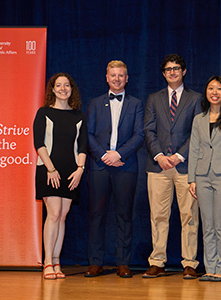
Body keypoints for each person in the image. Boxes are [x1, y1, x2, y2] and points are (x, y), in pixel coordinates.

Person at [143, 54, 201, 279]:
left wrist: (178, 156)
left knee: (190, 216)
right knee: (158, 216)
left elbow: (197, 132)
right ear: (163, 73)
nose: (173, 72)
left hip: (185, 166)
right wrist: (159, 155)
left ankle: (190, 263)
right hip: (158, 167)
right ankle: (157, 261)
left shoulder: (195, 98)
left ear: (184, 71)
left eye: (176, 68)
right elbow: (148, 130)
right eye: (168, 69)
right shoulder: (154, 98)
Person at [85, 60, 144, 278]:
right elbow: (88, 134)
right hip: (99, 166)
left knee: (124, 215)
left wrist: (119, 154)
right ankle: (95, 262)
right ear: (106, 78)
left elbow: (139, 134)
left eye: (121, 75)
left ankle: (123, 263)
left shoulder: (136, 103)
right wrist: (103, 155)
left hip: (125, 166)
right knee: (96, 215)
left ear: (127, 78)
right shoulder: (95, 103)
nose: (117, 79)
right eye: (113, 75)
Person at [188, 76, 221, 282]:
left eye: (218, 89)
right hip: (202, 176)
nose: (214, 92)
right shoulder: (198, 119)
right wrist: (192, 179)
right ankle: (210, 267)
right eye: (210, 88)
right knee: (207, 225)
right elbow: (194, 149)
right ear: (206, 93)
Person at [33, 72, 87, 280]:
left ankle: (56, 261)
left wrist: (80, 170)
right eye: (59, 85)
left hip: (72, 172)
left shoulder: (78, 116)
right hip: (49, 171)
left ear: (72, 89)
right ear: (53, 89)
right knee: (53, 214)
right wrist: (51, 169)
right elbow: (39, 144)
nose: (63, 88)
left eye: (67, 85)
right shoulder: (43, 112)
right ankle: (47, 263)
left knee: (62, 216)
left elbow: (83, 146)